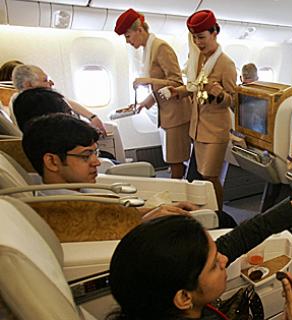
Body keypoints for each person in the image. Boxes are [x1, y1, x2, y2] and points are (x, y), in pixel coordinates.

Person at [103, 190, 292, 320]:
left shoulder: (147, 314)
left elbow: (236, 240)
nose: (223, 259)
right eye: (212, 265)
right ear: (184, 297)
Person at [21, 114, 197, 221]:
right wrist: (145, 220)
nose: (96, 162)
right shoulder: (63, 210)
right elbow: (104, 227)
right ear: (52, 162)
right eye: (85, 156)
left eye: (94, 153)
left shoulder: (75, 191)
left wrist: (157, 210)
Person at [164, 9, 237, 209]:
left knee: (210, 177)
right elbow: (194, 86)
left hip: (215, 131)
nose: (198, 42)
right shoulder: (198, 59)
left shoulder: (226, 64)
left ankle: (218, 214)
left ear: (215, 33)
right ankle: (202, 211)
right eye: (195, 38)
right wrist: (178, 91)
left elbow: (234, 101)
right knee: (199, 176)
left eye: (202, 37)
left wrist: (220, 94)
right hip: (197, 128)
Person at [114, 8, 192, 179]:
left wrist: (148, 81)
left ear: (139, 30)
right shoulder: (148, 50)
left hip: (177, 114)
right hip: (167, 114)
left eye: (128, 36)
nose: (127, 41)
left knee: (175, 161)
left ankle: (177, 197)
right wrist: (144, 104)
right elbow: (160, 88)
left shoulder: (161, 47)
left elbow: (177, 83)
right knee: (172, 160)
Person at [10, 64, 107, 135]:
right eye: (45, 80)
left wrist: (93, 117)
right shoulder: (35, 103)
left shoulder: (48, 98)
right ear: (28, 85)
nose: (51, 83)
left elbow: (67, 101)